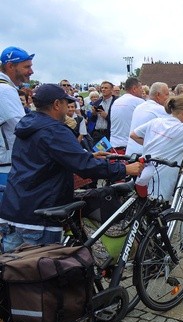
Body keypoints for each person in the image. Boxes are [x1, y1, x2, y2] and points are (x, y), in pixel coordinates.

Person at [0, 84, 143, 253]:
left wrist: (86, 156)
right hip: (40, 214)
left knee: (11, 271)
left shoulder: (28, 125)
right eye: (66, 103)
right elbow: (85, 167)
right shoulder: (54, 129)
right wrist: (125, 169)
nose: (68, 108)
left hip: (14, 209)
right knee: (40, 274)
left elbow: (45, 158)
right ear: (56, 104)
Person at [0, 46, 34, 201]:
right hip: (6, 167)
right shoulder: (5, 90)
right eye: (26, 67)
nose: (31, 71)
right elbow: (22, 128)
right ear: (10, 66)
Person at [125, 82, 170, 156]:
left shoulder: (139, 107)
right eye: (167, 94)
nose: (168, 98)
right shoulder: (161, 110)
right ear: (158, 95)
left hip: (130, 152)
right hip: (144, 155)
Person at [109, 77, 144, 153]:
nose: (142, 91)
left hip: (114, 145)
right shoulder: (139, 102)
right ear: (134, 89)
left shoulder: (116, 102)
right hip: (130, 146)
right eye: (141, 88)